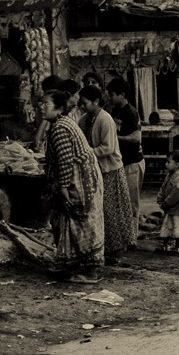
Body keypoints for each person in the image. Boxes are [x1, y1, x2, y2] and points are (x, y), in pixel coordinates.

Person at [41, 89, 104, 283]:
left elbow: (66, 161)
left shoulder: (60, 128)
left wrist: (63, 188)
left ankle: (90, 272)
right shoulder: (61, 123)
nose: (41, 107)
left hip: (79, 180)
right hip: (82, 177)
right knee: (65, 220)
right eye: (41, 103)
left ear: (59, 108)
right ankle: (70, 265)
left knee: (80, 222)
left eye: (46, 104)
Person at [79, 84, 135, 263]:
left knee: (112, 211)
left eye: (85, 103)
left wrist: (87, 153)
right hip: (93, 170)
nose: (82, 106)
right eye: (81, 103)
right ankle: (100, 247)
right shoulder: (83, 119)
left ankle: (116, 250)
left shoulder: (105, 119)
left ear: (96, 102)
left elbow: (109, 148)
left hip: (109, 170)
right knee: (98, 211)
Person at [106, 78, 144, 247]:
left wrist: (116, 139)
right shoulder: (114, 110)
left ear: (122, 95)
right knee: (121, 201)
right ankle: (125, 235)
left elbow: (137, 137)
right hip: (122, 162)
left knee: (131, 201)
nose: (110, 97)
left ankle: (132, 237)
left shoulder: (131, 112)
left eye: (112, 95)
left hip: (133, 163)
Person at [156, 150, 179, 255]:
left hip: (178, 209)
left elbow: (175, 196)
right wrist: (160, 197)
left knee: (177, 228)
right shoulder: (169, 175)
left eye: (168, 162)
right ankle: (165, 245)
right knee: (168, 226)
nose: (166, 164)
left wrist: (165, 203)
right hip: (170, 208)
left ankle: (177, 246)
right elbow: (163, 188)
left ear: (177, 164)